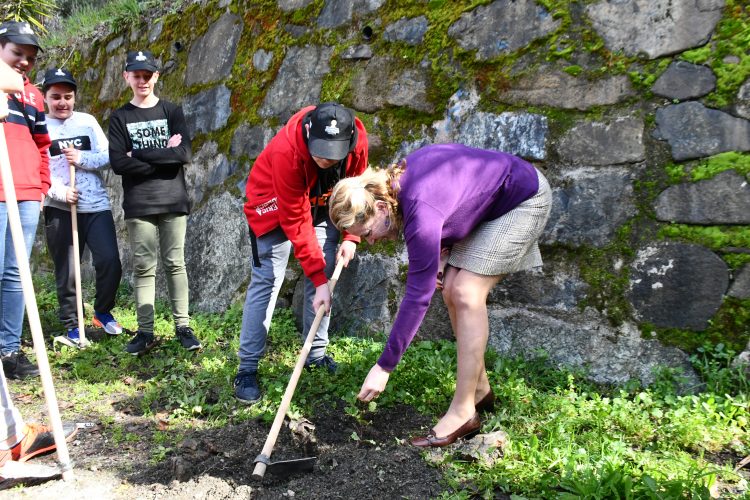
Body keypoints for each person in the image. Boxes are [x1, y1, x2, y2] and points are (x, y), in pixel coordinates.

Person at [328, 143, 552, 447]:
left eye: (367, 233)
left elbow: (417, 296)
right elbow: (458, 199)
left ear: (381, 208)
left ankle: (463, 412)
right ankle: (480, 389)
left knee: (467, 292)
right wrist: (443, 252)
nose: (371, 241)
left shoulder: (418, 208)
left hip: (522, 200)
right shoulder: (398, 188)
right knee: (450, 287)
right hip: (492, 204)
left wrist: (384, 367)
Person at [234, 102, 369, 404]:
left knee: (324, 268)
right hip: (272, 204)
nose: (324, 157)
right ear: (309, 133)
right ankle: (247, 368)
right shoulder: (287, 151)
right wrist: (320, 278)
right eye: (319, 150)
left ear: (348, 142)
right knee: (267, 280)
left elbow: (357, 191)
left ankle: (316, 355)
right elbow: (295, 220)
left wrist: (350, 236)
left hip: (319, 202)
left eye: (333, 153)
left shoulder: (358, 143)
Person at [108, 49, 200, 355]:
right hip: (140, 202)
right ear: (127, 78)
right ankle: (145, 332)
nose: (143, 80)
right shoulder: (120, 117)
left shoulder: (172, 112)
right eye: (137, 75)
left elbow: (183, 155)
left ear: (156, 76)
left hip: (173, 199)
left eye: (148, 75)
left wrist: (141, 153)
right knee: (144, 267)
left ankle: (183, 327)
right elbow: (119, 163)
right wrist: (164, 154)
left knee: (175, 264)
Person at [42, 68, 123, 346]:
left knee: (110, 261)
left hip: (95, 205)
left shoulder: (87, 122)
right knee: (68, 270)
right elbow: (37, 169)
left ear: (74, 97)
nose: (62, 102)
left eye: (67, 96)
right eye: (56, 97)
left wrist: (82, 157)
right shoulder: (40, 127)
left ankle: (102, 311)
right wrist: (60, 192)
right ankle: (72, 324)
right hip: (60, 208)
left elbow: (108, 155)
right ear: (45, 98)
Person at [0, 21, 50, 379]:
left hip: (28, 193)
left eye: (30, 57)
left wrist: (42, 186)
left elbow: (42, 144)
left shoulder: (33, 96)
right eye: (17, 53)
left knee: (17, 274)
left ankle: (9, 351)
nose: (24, 62)